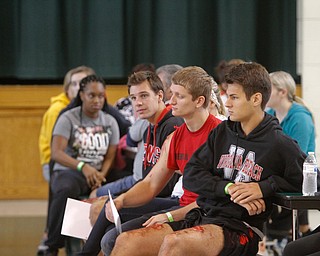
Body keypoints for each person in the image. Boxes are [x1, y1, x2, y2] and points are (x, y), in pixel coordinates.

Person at [109, 62, 305, 256]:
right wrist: (229, 189)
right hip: (203, 215)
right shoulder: (222, 132)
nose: (226, 103)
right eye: (228, 96)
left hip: (239, 227)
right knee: (126, 241)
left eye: (234, 97)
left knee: (175, 243)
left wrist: (263, 188)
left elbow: (307, 181)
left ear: (255, 99)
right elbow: (193, 175)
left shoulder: (279, 143)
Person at [99, 66, 222, 255]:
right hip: (184, 209)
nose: (170, 101)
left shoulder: (220, 136)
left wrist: (169, 216)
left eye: (179, 96)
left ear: (199, 101)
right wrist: (121, 200)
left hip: (209, 216)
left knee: (123, 241)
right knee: (112, 238)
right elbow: (150, 184)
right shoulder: (176, 136)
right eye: (171, 94)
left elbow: (212, 201)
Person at [77, 70, 184, 255]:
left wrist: (127, 199)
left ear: (160, 95)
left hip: (170, 200)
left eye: (143, 96)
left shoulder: (172, 126)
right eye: (133, 98)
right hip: (151, 194)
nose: (138, 103)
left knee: (107, 213)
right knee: (95, 210)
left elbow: (160, 184)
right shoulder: (148, 128)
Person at [43, 75, 120, 255]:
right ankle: (53, 245)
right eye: (92, 95)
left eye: (101, 96)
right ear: (82, 95)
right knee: (65, 189)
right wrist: (83, 167)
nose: (97, 100)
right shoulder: (68, 118)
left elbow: (110, 156)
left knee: (125, 184)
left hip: (98, 172)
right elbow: (57, 153)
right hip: (71, 171)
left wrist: (101, 174)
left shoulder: (110, 122)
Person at [266, 71, 315, 245]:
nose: (265, 93)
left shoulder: (300, 117)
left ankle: (282, 233)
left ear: (282, 92)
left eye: (269, 89)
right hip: (280, 168)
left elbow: (297, 156)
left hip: (301, 171)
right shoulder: (270, 113)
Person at [39, 66, 96, 181]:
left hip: (83, 159)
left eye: (82, 83)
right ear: (67, 89)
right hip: (58, 163)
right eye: (73, 84)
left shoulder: (94, 108)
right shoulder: (57, 111)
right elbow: (57, 149)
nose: (78, 88)